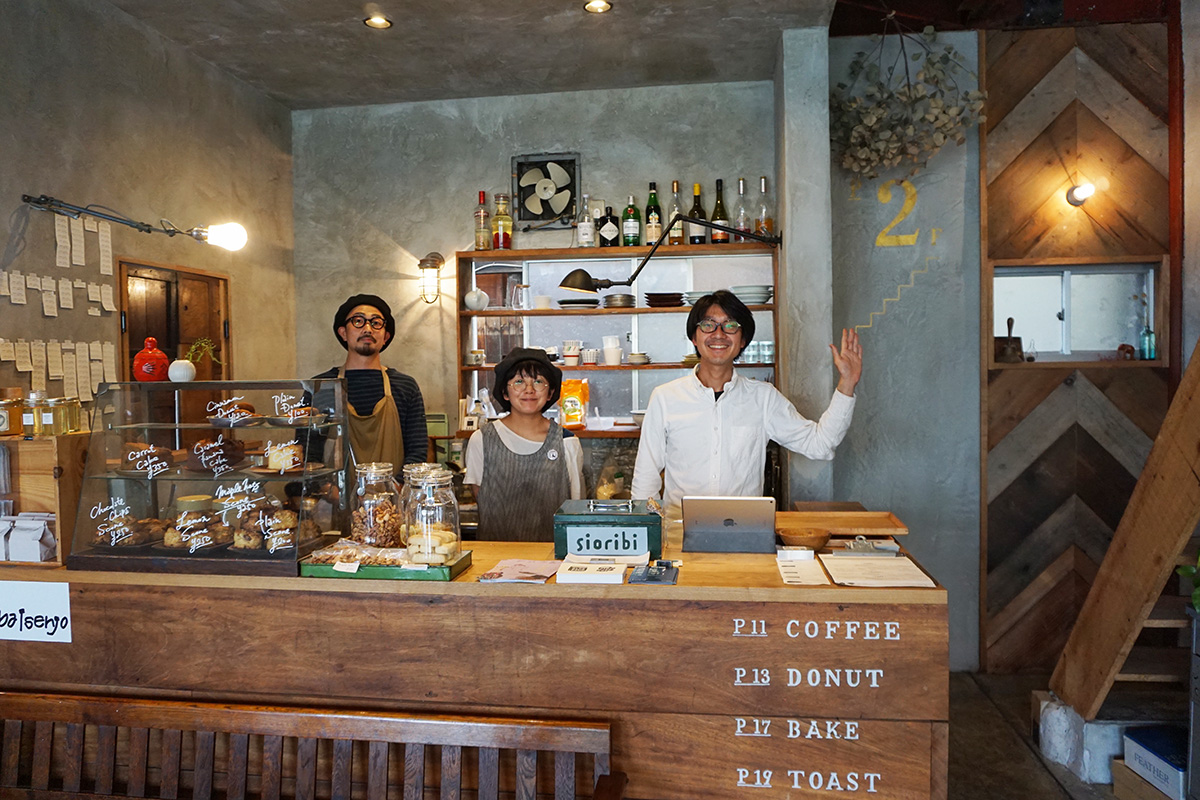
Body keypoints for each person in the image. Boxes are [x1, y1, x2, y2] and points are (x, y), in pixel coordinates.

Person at [631, 290, 862, 511]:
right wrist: (647, 534)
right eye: (708, 325)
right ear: (694, 337)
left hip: (745, 533)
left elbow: (820, 444)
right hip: (679, 534)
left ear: (743, 340)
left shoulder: (763, 398)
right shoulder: (665, 398)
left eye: (730, 325)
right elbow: (646, 476)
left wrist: (847, 383)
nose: (719, 334)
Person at [465, 347, 584, 540]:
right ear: (505, 392)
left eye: (538, 382)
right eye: (518, 382)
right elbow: (482, 499)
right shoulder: (481, 440)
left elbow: (576, 507)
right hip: (495, 559)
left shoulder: (566, 442)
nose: (529, 389)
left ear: (551, 392)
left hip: (551, 557)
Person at [310, 294, 427, 470]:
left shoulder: (404, 386)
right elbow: (308, 450)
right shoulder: (321, 386)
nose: (367, 329)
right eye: (358, 321)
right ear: (343, 333)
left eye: (376, 322)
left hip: (392, 495)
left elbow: (417, 450)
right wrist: (327, 489)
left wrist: (394, 487)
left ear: (385, 336)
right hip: (334, 496)